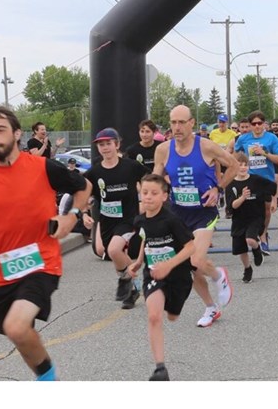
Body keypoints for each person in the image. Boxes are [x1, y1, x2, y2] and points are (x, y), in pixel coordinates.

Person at [0, 106, 91, 381]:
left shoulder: (44, 167)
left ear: (17, 134)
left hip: (41, 261)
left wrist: (70, 216)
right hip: (0, 271)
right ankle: (47, 377)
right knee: (17, 333)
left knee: (16, 327)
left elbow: (83, 186)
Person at [153, 105, 239, 327]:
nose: (177, 127)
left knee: (197, 260)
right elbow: (155, 179)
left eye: (182, 122)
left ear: (192, 123)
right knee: (190, 268)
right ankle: (211, 308)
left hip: (203, 212)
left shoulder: (207, 147)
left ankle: (219, 274)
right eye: (173, 122)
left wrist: (218, 188)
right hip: (178, 213)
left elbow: (234, 165)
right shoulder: (163, 149)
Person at [127, 174, 196, 381]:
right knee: (154, 316)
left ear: (164, 196)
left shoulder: (172, 220)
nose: (148, 197)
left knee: (172, 317)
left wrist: (169, 264)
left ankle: (171, 303)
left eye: (154, 193)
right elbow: (144, 241)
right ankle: (160, 369)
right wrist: (139, 262)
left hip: (179, 275)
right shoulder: (139, 220)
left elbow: (191, 246)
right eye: (144, 192)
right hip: (154, 274)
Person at [81, 127, 149, 309]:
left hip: (129, 219)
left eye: (108, 143)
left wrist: (148, 199)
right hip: (107, 221)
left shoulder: (130, 166)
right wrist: (85, 213)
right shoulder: (94, 173)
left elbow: (150, 180)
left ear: (117, 144)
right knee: (116, 255)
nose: (105, 148)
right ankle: (132, 287)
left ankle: (127, 281)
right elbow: (86, 196)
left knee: (113, 250)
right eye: (101, 145)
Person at [233, 110, 278, 255]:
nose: (257, 126)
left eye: (259, 123)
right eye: (254, 124)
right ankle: (252, 233)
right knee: (250, 209)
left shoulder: (271, 138)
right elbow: (235, 157)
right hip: (249, 178)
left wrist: (264, 153)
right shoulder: (243, 139)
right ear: (249, 125)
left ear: (264, 124)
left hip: (266, 179)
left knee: (266, 210)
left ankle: (263, 235)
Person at [225, 152, 276, 283]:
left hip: (256, 217)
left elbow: (272, 187)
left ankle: (257, 249)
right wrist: (242, 197)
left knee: (250, 240)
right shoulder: (231, 184)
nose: (242, 167)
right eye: (239, 165)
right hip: (238, 219)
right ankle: (248, 268)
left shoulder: (256, 180)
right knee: (240, 249)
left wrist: (274, 200)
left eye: (245, 165)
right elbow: (232, 206)